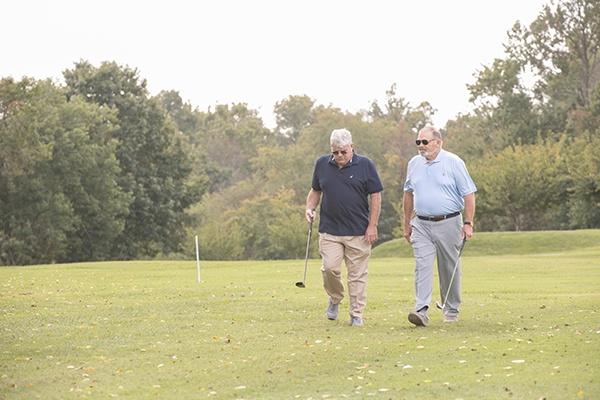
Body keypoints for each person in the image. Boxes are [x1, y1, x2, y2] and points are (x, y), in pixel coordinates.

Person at [305, 128, 383, 327]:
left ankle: (356, 314)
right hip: (330, 230)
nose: (339, 156)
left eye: (343, 151)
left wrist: (372, 225)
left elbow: (376, 196)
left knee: (357, 276)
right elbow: (315, 190)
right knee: (329, 269)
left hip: (359, 232)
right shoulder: (322, 164)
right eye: (335, 152)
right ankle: (335, 298)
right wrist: (309, 208)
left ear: (351, 148)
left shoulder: (365, 165)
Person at [403, 126, 476, 326]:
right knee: (422, 265)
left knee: (448, 268)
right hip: (421, 224)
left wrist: (468, 223)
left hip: (449, 221)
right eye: (418, 142)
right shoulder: (414, 163)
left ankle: (451, 309)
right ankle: (421, 310)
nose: (420, 146)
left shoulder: (454, 162)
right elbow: (408, 193)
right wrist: (406, 223)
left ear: (438, 142)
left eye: (424, 142)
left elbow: (469, 194)